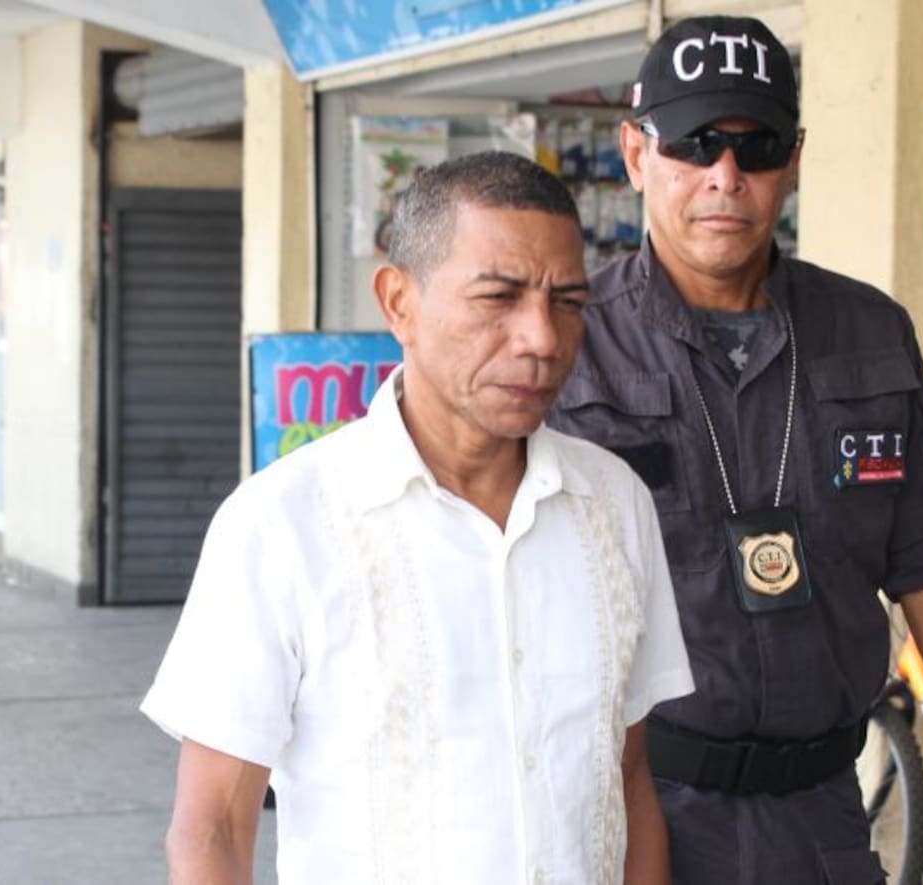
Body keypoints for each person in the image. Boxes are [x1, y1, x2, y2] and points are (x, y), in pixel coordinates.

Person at [547, 15, 923, 885]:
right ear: (636, 154)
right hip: (631, 817)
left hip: (820, 820)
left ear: (793, 160)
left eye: (756, 148)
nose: (725, 175)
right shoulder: (567, 341)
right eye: (693, 143)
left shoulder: (867, 330)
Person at [141, 151, 695, 885]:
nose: (541, 337)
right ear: (399, 302)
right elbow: (211, 828)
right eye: (498, 297)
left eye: (567, 300)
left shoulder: (615, 503)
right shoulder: (279, 525)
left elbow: (627, 781)